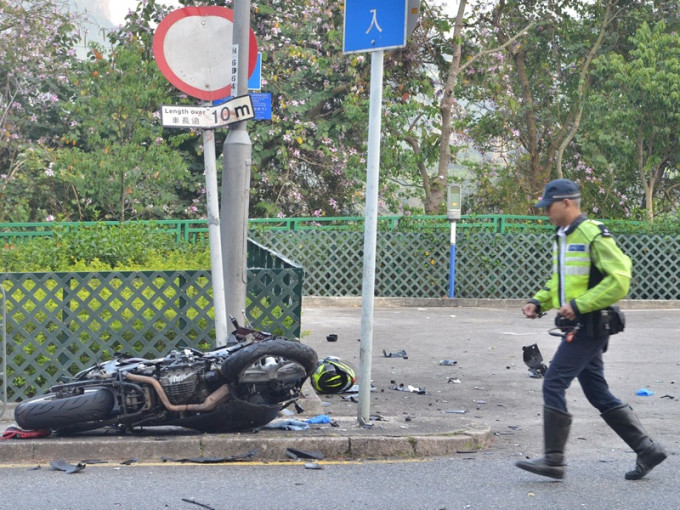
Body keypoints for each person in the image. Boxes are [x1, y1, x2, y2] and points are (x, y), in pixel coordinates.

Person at [517, 178, 666, 480]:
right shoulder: (563, 235)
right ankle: (647, 449)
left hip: (589, 325)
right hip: (580, 323)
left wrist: (581, 304)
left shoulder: (592, 234)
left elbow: (620, 278)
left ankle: (554, 461)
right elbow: (561, 282)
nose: (546, 213)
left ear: (567, 203)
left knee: (553, 383)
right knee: (597, 392)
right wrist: (539, 302)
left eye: (549, 207)